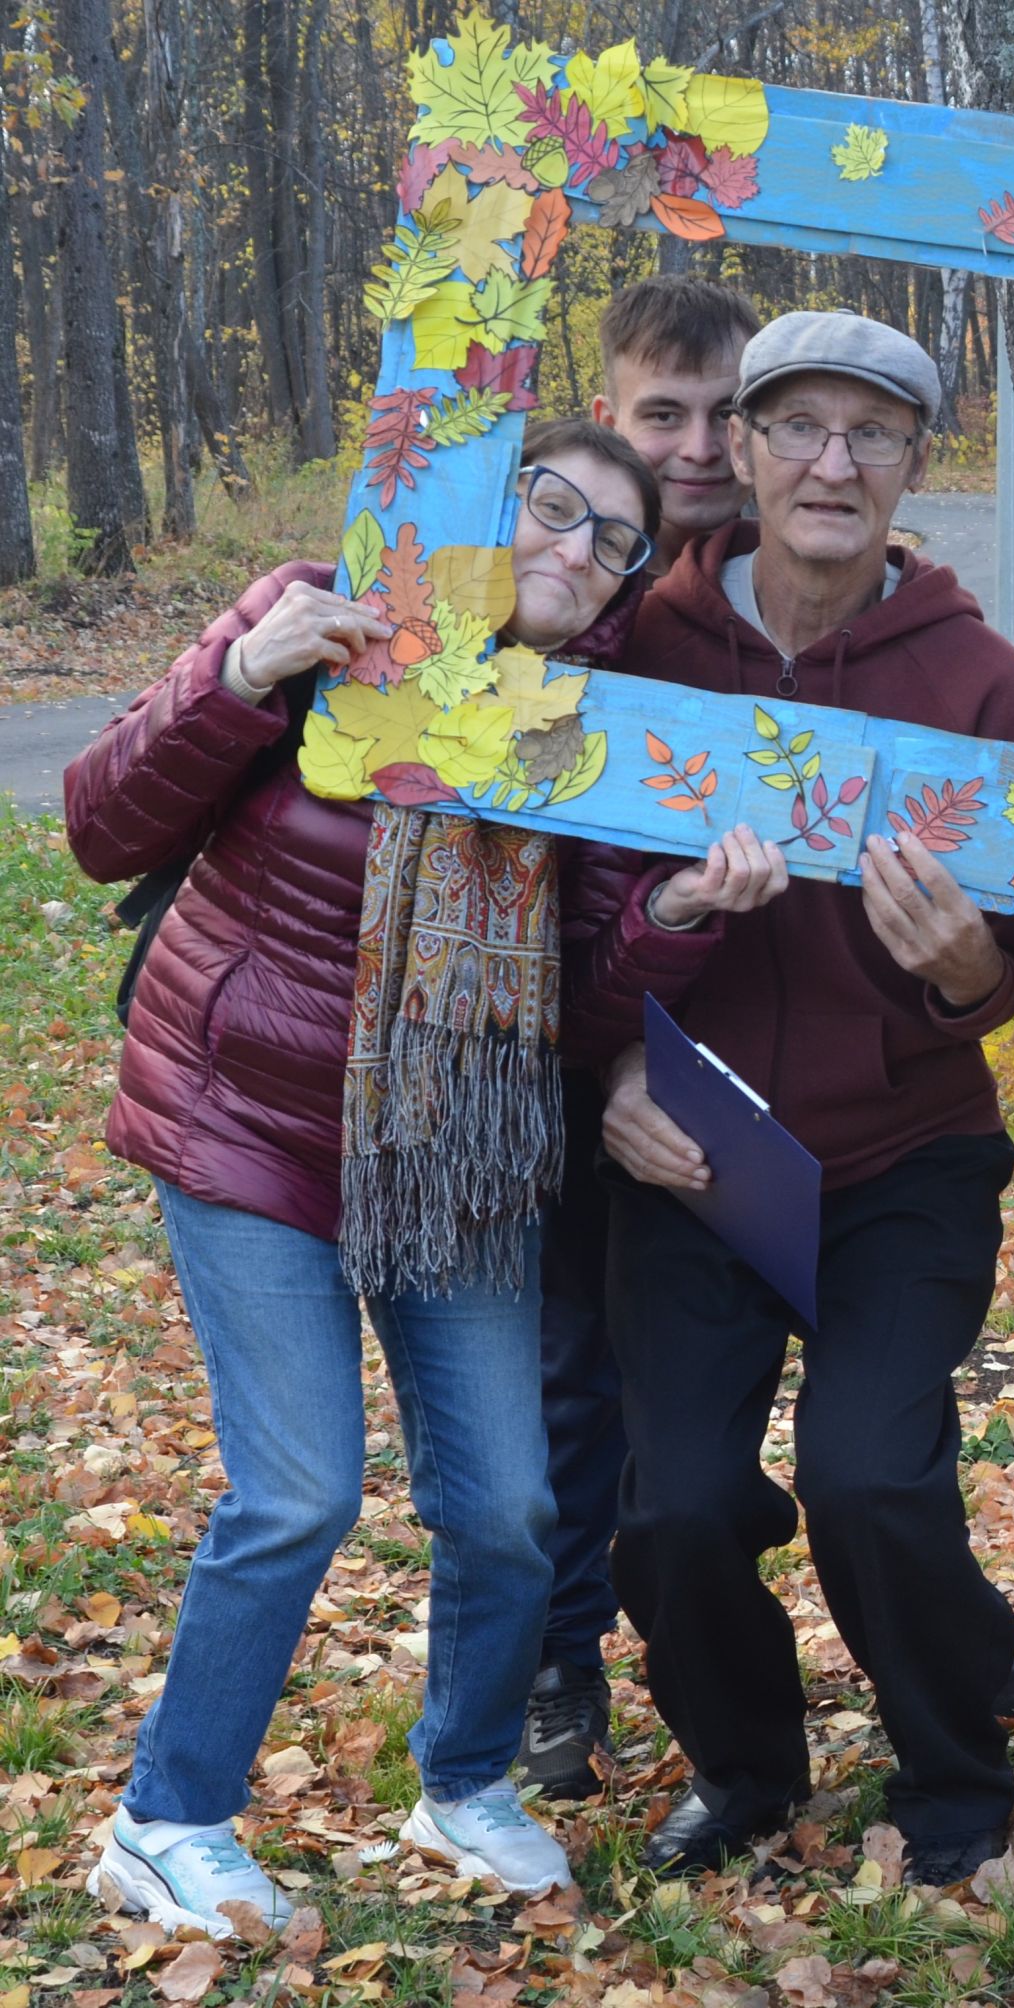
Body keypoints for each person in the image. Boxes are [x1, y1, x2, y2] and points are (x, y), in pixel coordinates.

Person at [65, 418, 661, 1936]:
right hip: (249, 1124)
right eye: (553, 505)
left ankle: (465, 1784)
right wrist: (241, 677)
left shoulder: (597, 727)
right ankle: (168, 1815)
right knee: (299, 1492)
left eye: (615, 540)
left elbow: (583, 1010)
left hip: (454, 1151)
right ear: (488, 501)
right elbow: (95, 824)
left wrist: (684, 920)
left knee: (512, 1506)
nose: (575, 550)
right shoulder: (321, 610)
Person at [564, 312, 1014, 1886]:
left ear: (915, 468)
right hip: (698, 1149)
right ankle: (748, 1767)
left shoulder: (972, 676)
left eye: (876, 435)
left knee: (868, 1474)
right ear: (743, 453)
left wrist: (967, 963)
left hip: (906, 1150)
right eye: (800, 429)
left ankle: (957, 1769)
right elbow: (569, 918)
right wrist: (617, 1063)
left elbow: (1002, 982)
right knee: (678, 1510)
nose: (835, 464)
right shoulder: (639, 649)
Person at [520, 276, 763, 1804]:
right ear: (607, 415)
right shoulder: (548, 601)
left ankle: (915, 1614)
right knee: (560, 1376)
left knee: (728, 1374)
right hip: (537, 1056)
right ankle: (558, 1662)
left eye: (721, 412)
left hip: (720, 1041)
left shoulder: (786, 578)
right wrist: (600, 1064)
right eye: (657, 413)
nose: (693, 444)